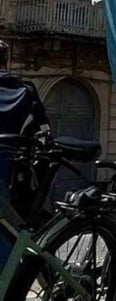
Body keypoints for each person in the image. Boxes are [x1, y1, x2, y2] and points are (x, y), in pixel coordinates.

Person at [0, 38, 49, 263]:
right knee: (8, 232)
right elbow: (44, 134)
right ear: (7, 62)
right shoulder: (26, 91)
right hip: (10, 174)